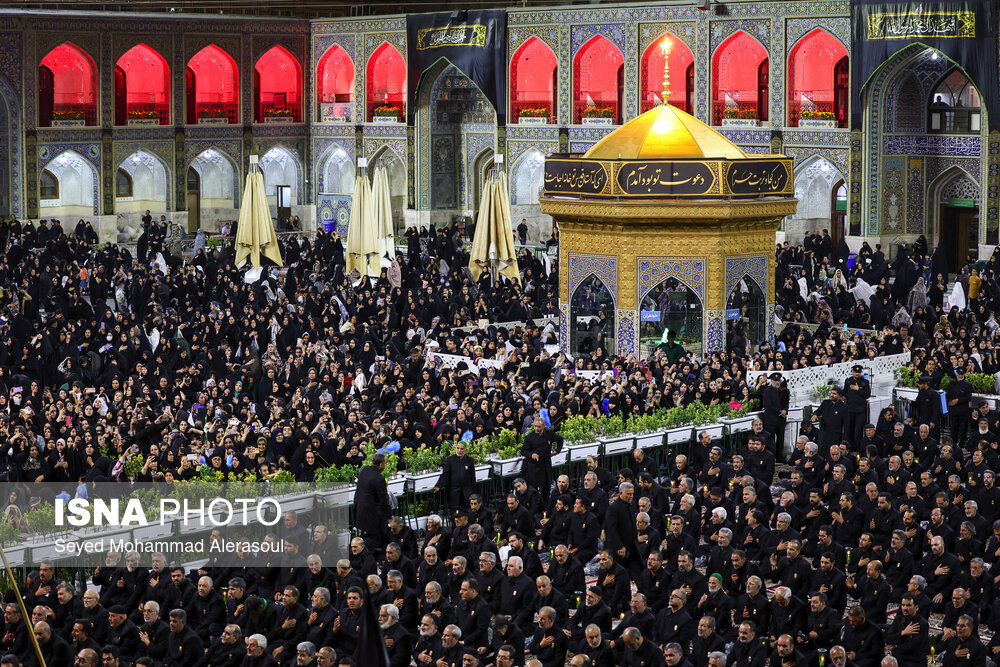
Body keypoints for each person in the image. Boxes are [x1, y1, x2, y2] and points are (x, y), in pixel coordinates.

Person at [355, 453, 392, 554]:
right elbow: (384, 500)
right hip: (371, 514)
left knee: (365, 535)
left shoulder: (364, 469)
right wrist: (389, 516)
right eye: (385, 463)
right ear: (381, 465)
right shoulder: (379, 478)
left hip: (360, 509)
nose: (386, 465)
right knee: (374, 539)